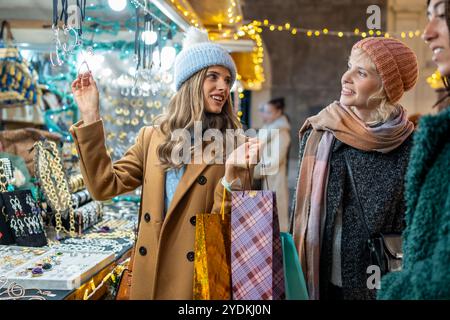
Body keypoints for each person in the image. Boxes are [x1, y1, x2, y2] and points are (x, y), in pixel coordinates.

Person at [69, 28, 260, 299]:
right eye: (213, 77)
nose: (223, 87)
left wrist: (231, 177)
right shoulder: (152, 137)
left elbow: (230, 230)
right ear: (191, 81)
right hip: (149, 279)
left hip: (196, 283)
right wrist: (90, 114)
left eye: (227, 80)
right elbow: (103, 186)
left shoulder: (234, 144)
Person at [291, 37, 418, 300]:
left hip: (379, 284)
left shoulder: (409, 145)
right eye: (349, 66)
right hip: (321, 278)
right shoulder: (319, 133)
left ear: (385, 89)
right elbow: (300, 213)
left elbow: (412, 224)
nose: (345, 77)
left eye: (360, 73)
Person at [378, 0, 450, 299]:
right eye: (427, 17)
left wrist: (392, 289)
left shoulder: (411, 138)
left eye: (442, 17)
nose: (427, 32)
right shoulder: (324, 130)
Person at [254, 97, 291, 232]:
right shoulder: (267, 129)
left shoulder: (281, 132)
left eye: (269, 112)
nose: (264, 115)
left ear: (278, 112)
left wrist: (255, 172)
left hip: (274, 180)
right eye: (264, 111)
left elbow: (275, 160)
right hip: (265, 179)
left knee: (276, 221)